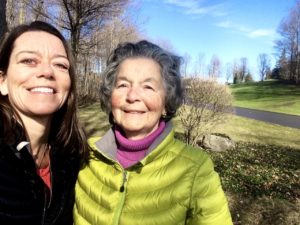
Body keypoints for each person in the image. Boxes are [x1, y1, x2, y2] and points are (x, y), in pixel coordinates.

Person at [74, 40, 233, 225]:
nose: (132, 96)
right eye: (123, 85)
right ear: (110, 97)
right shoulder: (85, 155)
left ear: (166, 103)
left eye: (148, 87)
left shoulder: (196, 169)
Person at [0, 21, 89, 225]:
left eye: (60, 65)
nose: (47, 72)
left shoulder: (73, 159)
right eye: (29, 60)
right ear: (2, 81)